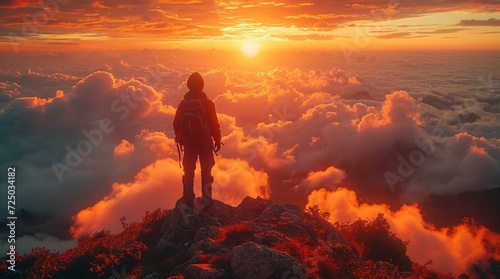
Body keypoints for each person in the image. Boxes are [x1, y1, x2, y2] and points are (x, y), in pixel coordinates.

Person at [173, 72, 221, 210]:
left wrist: (182, 138)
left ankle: (188, 199)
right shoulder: (208, 103)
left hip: (189, 143)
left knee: (188, 171)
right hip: (204, 142)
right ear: (202, 86)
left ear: (188, 86)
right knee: (206, 171)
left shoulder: (183, 104)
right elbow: (213, 123)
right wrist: (217, 139)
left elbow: (176, 124)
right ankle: (207, 200)